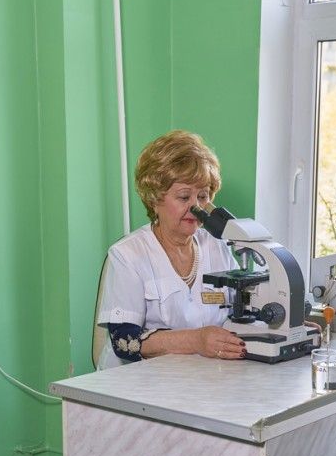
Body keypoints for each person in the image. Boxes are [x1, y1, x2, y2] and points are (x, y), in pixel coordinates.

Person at [96, 130, 246, 369]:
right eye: (184, 197)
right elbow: (124, 342)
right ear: (155, 199)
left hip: (197, 377)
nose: (196, 208)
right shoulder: (128, 254)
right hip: (134, 383)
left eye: (203, 196)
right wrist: (196, 340)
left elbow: (243, 311)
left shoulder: (216, 246)